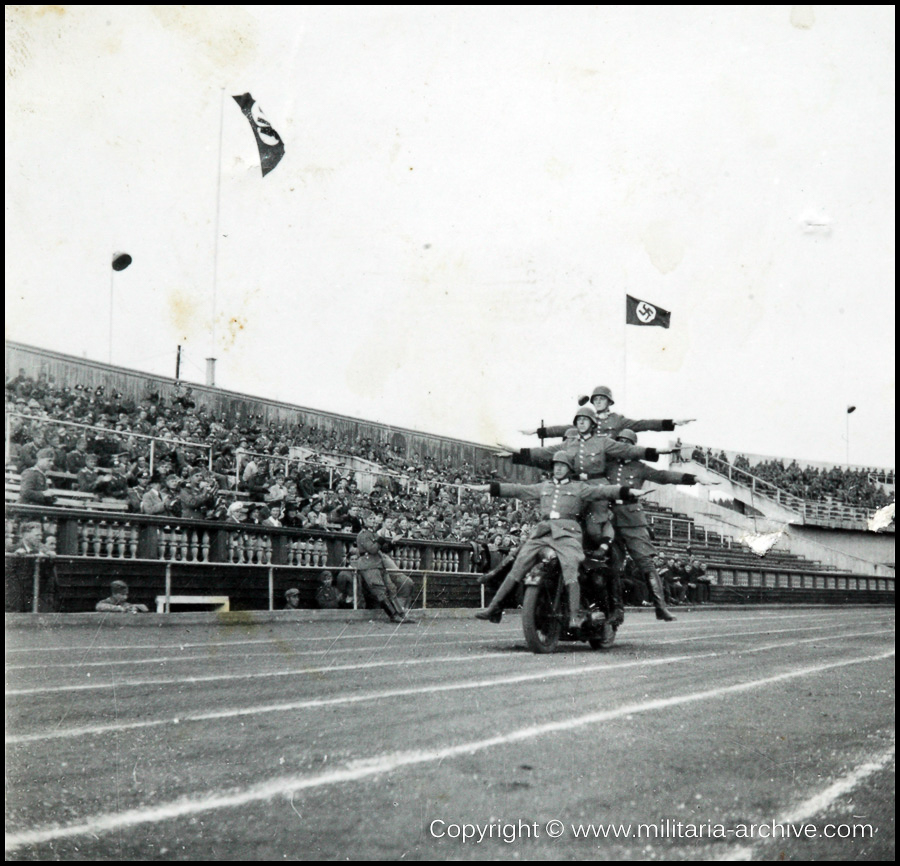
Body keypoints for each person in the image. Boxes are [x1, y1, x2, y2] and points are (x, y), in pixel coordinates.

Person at [470, 451, 633, 629]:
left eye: (562, 466)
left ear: (569, 469)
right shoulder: (544, 486)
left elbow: (602, 491)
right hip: (543, 532)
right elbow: (518, 489)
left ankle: (574, 616)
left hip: (567, 533)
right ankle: (493, 608)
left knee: (570, 566)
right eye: (556, 465)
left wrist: (628, 491)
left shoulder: (579, 488)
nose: (558, 468)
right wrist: (489, 488)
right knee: (519, 564)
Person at [604, 428, 714, 622]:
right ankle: (616, 610)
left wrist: (693, 479)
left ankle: (660, 606)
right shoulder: (608, 465)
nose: (624, 447)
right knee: (612, 567)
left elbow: (663, 476)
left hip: (632, 521)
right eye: (620, 443)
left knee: (646, 563)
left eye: (627, 443)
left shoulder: (639, 467)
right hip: (610, 518)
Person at [521, 385, 695, 440]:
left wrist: (671, 422)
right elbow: (563, 428)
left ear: (609, 402)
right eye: (595, 399)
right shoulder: (587, 417)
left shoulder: (618, 420)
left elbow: (643, 424)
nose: (597, 402)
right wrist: (538, 431)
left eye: (601, 399)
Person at [355, 528, 416, 623]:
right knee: (380, 591)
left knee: (391, 588)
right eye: (370, 519)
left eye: (374, 519)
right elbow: (373, 549)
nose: (373, 522)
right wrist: (381, 538)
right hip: (369, 565)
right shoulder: (363, 534)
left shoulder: (373, 534)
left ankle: (401, 613)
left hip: (379, 564)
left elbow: (384, 549)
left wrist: (392, 542)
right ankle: (393, 615)